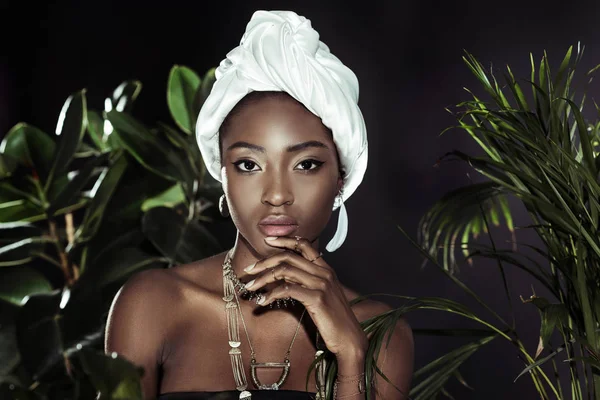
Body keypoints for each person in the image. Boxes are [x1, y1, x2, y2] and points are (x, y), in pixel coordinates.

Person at [104, 10, 414, 400]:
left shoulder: (381, 333)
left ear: (340, 180)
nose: (278, 194)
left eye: (306, 164)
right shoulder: (153, 304)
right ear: (223, 174)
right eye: (249, 165)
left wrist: (351, 357)